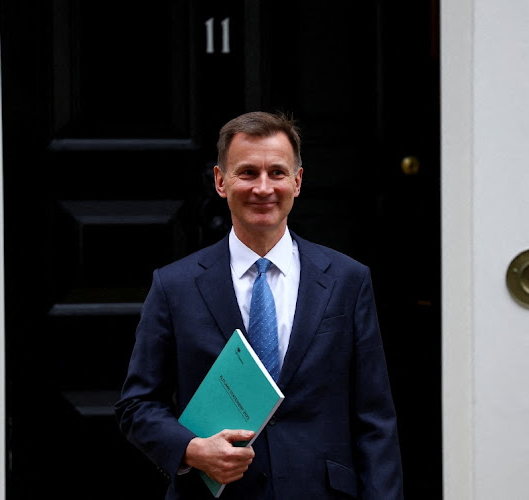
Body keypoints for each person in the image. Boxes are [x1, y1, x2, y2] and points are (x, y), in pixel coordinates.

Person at [115, 111, 403, 499]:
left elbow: (375, 419)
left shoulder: (347, 280)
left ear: (297, 182)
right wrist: (191, 450)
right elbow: (137, 405)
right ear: (221, 181)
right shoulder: (174, 285)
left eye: (277, 173)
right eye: (247, 172)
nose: (263, 188)